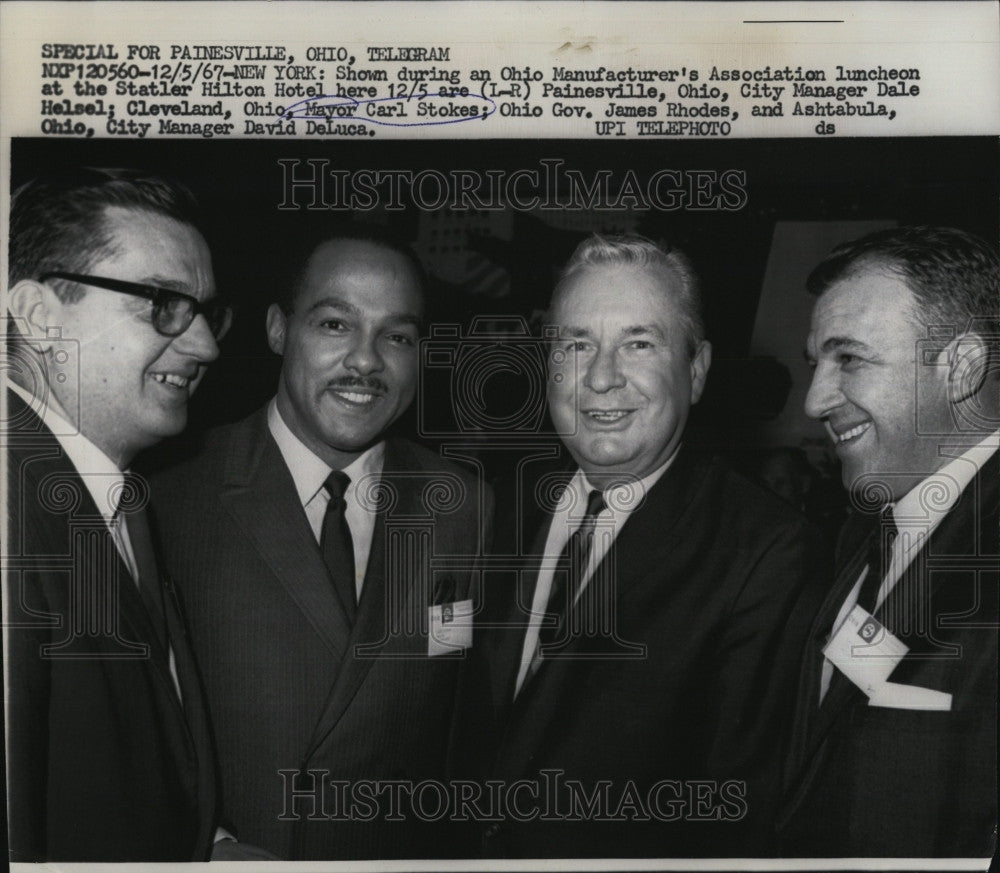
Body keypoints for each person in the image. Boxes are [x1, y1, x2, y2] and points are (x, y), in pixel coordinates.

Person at [463, 233, 825, 857]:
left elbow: (733, 819)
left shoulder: (768, 553)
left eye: (639, 343)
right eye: (576, 344)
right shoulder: (494, 506)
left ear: (697, 369)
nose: (602, 377)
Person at [151, 226, 492, 859]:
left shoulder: (463, 505)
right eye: (336, 325)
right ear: (279, 329)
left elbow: (460, 734)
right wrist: (211, 847)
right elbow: (125, 734)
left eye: (397, 336)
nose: (366, 361)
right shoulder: (169, 497)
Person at [3, 168, 229, 861]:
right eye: (162, 302)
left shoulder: (115, 495)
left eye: (205, 313)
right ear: (40, 319)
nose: (205, 347)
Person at [779, 226, 999, 857]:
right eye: (815, 364)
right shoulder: (864, 526)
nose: (816, 400)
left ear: (961, 368)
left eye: (849, 359)